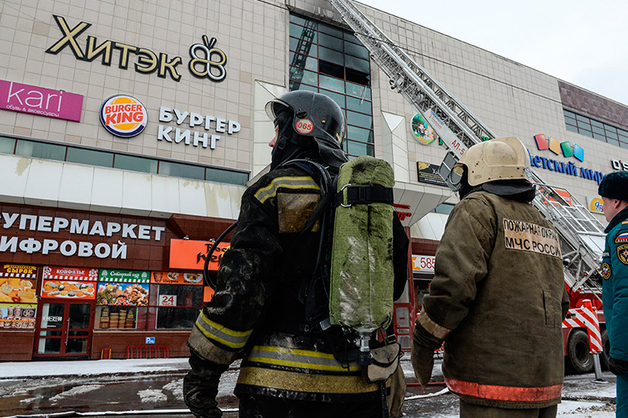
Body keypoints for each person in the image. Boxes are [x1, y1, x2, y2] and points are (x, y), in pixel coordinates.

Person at [183, 90, 409, 418]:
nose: (273, 142)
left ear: (299, 129)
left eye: (278, 130)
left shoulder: (272, 189)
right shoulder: (370, 203)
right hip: (364, 389)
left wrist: (203, 372)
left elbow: (243, 290)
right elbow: (394, 282)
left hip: (280, 389)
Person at [411, 137, 569, 418]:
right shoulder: (543, 224)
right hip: (545, 383)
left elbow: (454, 288)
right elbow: (562, 303)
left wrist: (425, 339)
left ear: (476, 171)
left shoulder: (478, 207)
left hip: (494, 386)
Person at [598, 171, 628, 418]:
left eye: (604, 201)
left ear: (616, 201)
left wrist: (621, 352)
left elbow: (626, 293)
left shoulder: (622, 235)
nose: (603, 207)